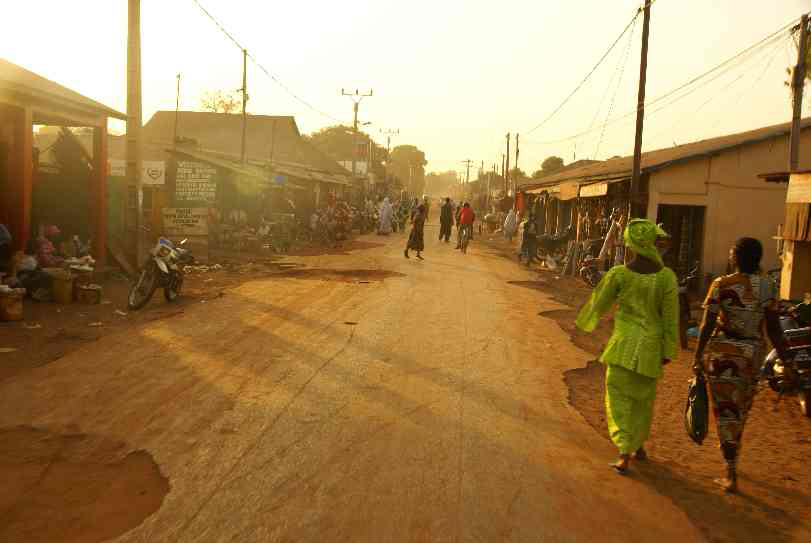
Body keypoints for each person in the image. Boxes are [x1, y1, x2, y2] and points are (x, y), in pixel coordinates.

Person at [575, 219, 679, 474]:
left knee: (619, 398)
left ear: (631, 244)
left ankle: (624, 451)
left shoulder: (620, 274)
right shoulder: (666, 278)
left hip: (622, 346)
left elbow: (599, 302)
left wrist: (588, 321)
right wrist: (668, 351)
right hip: (651, 349)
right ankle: (638, 444)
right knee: (643, 401)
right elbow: (670, 318)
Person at [694, 237, 784, 493]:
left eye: (732, 252)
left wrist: (697, 356)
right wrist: (786, 358)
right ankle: (732, 456)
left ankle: (730, 468)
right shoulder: (767, 285)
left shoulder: (721, 284)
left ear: (736, 257)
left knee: (725, 411)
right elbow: (774, 328)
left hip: (723, 353)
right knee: (741, 409)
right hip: (752, 356)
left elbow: (707, 324)